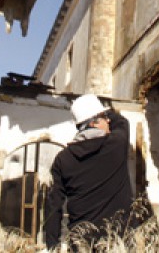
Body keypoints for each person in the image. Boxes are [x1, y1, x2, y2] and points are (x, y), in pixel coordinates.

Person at [44, 94, 133, 250]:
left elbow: (54, 206)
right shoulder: (116, 144)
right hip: (117, 241)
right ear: (94, 122)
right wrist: (107, 109)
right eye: (105, 117)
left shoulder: (63, 160)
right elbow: (122, 121)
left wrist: (52, 246)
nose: (109, 120)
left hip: (82, 244)